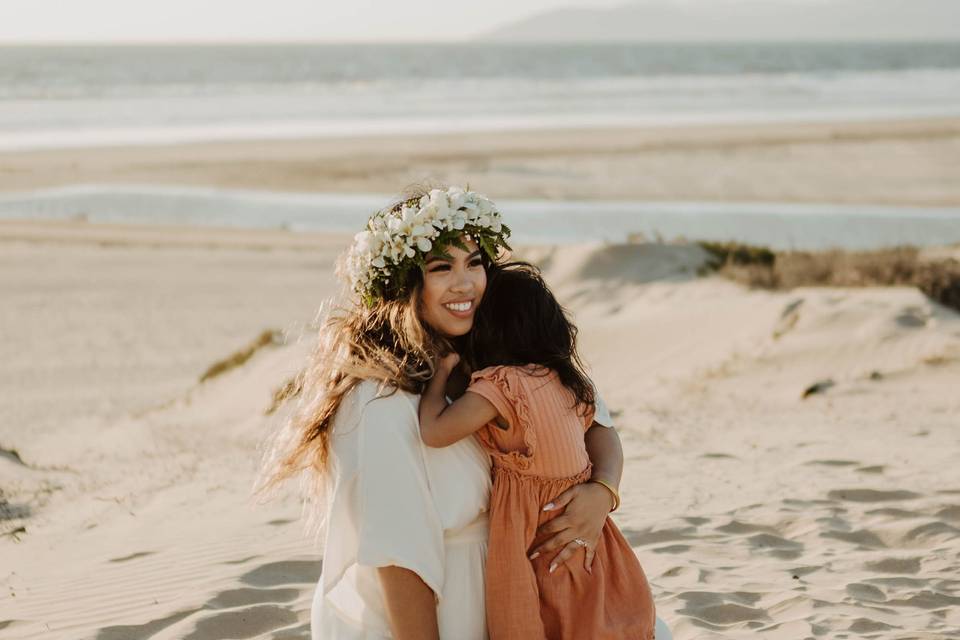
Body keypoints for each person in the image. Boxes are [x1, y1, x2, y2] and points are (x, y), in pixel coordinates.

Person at [258, 185, 629, 639]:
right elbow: (399, 557)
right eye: (441, 268)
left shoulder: (503, 357)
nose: (465, 283)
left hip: (523, 594)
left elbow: (596, 421)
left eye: (474, 263)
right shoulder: (381, 400)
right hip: (441, 609)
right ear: (402, 286)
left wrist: (602, 490)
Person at [419, 262, 656, 639]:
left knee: (530, 612)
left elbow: (433, 431)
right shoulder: (565, 379)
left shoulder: (501, 386)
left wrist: (439, 375)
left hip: (532, 531)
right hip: (597, 549)